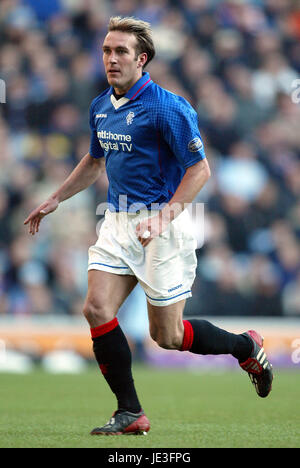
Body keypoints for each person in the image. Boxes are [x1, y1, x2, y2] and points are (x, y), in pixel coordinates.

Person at [24, 16, 273, 436]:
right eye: (106, 50)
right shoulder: (101, 105)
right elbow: (94, 160)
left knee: (168, 336)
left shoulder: (168, 106)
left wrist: (163, 216)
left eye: (121, 51)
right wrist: (56, 197)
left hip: (165, 223)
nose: (111, 58)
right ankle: (130, 412)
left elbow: (200, 170)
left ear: (142, 59)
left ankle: (246, 346)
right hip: (118, 221)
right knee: (95, 308)